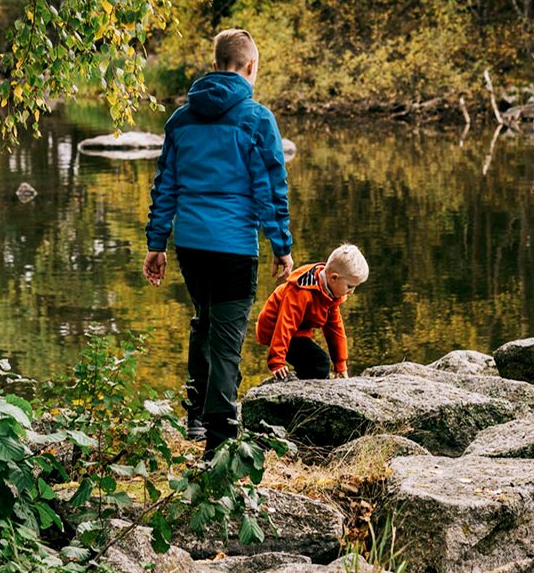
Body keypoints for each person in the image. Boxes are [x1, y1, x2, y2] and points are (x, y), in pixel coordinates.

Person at [144, 29, 293, 457]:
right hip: (233, 247)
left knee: (204, 322)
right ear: (251, 68)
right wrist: (281, 247)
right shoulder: (256, 119)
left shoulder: (180, 120)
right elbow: (270, 189)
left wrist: (157, 244)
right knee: (226, 339)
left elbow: (166, 185)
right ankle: (219, 443)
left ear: (214, 66)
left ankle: (194, 415)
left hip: (191, 245)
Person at [255, 244, 368, 381]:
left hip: (297, 330)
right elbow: (285, 323)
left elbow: (335, 330)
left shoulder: (330, 293)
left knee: (313, 361)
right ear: (333, 278)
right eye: (349, 286)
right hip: (274, 329)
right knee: (319, 362)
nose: (351, 291)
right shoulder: (301, 291)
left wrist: (340, 365)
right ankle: (307, 392)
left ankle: (306, 380)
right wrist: (277, 361)